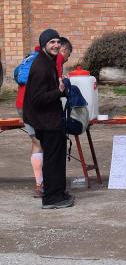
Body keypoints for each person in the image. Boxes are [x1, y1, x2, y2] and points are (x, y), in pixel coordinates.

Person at [22, 29, 72, 209]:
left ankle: (58, 193)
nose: (56, 45)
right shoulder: (41, 67)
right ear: (44, 44)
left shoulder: (48, 61)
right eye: (52, 42)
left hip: (51, 119)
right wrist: (58, 92)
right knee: (52, 159)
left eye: (58, 42)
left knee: (57, 158)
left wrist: (61, 89)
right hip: (46, 121)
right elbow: (37, 99)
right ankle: (52, 199)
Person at [15, 45, 44, 197]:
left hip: (21, 104)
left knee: (36, 142)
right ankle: (42, 184)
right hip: (34, 105)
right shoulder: (49, 59)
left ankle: (40, 183)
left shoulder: (27, 59)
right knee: (44, 141)